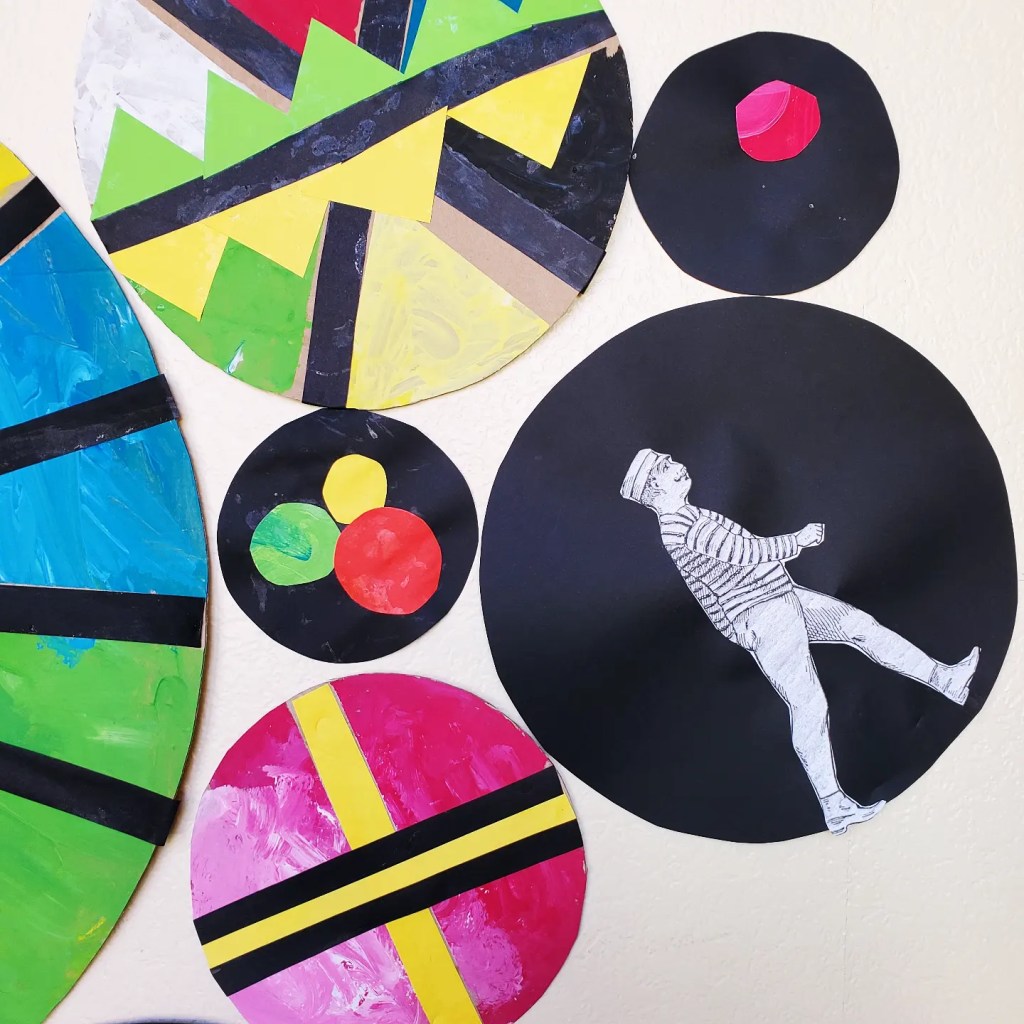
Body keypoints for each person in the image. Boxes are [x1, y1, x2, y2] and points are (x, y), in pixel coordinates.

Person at [620, 448, 980, 835]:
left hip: (778, 598)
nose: (677, 465)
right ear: (654, 486)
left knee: (859, 626)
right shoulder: (682, 526)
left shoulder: (690, 517)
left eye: (670, 460)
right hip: (763, 613)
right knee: (808, 703)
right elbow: (747, 552)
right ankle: (834, 805)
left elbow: (711, 587)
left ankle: (944, 679)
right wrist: (800, 540)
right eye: (666, 466)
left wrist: (732, 625)